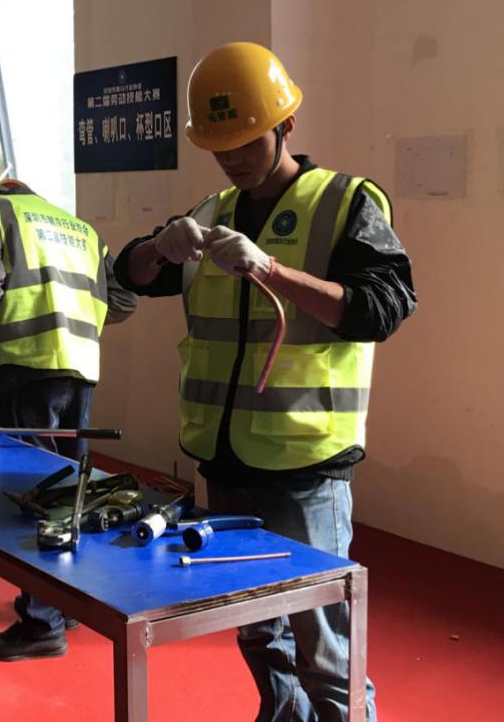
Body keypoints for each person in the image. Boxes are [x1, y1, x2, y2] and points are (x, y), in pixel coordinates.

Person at [114, 42, 416, 721]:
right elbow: (128, 277)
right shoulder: (211, 209)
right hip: (222, 458)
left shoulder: (345, 202)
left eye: (246, 140)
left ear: (286, 125)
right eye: (218, 146)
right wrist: (154, 248)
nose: (232, 158)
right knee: (256, 626)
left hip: (305, 461)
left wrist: (271, 269)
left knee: (326, 646)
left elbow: (382, 309)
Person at [0, 178, 136, 662]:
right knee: (67, 494)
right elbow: (123, 301)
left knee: (31, 492)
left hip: (25, 364)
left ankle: (41, 622)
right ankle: (62, 600)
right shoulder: (80, 229)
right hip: (80, 366)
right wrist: (71, 313)